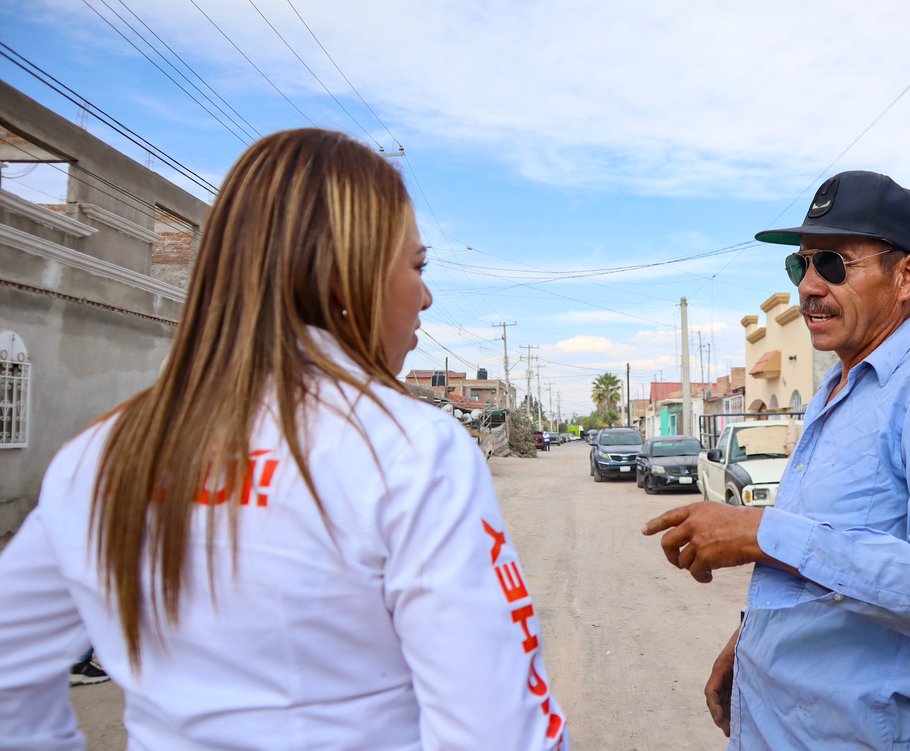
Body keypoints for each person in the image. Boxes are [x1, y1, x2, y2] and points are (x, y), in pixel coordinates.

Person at [0, 129, 566, 750]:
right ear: (345, 275)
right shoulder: (408, 447)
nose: (425, 296)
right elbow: (501, 733)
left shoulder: (102, 452)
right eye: (417, 265)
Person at [643, 170, 910, 749]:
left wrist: (762, 534)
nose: (808, 287)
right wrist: (750, 640)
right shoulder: (834, 391)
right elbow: (824, 564)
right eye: (800, 266)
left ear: (906, 275)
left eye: (833, 264)